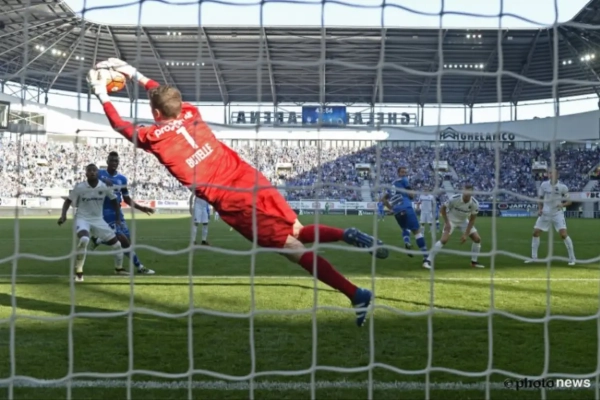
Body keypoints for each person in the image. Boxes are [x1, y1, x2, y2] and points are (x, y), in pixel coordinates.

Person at [87, 59, 389, 327]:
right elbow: (164, 96)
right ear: (178, 105)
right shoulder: (191, 112)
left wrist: (101, 92)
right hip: (249, 177)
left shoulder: (153, 137)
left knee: (293, 249)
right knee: (296, 229)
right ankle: (345, 234)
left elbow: (119, 125)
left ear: (154, 112)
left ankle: (356, 293)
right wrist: (133, 73)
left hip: (231, 199)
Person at [58, 164, 126, 281]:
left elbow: (115, 201)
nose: (92, 172)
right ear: (86, 173)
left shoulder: (104, 186)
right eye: (89, 170)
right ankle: (79, 271)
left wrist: (118, 218)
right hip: (82, 219)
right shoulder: (80, 187)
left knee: (117, 245)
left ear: (97, 173)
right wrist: (63, 215)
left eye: (94, 170)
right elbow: (68, 201)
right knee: (84, 239)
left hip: (98, 220)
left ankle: (118, 269)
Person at [91, 151, 155, 275]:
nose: (114, 163)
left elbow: (126, 199)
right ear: (107, 161)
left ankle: (98, 240)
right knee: (122, 240)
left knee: (127, 243)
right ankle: (140, 267)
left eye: (116, 161)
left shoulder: (122, 179)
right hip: (104, 212)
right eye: (112, 160)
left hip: (117, 212)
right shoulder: (99, 174)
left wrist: (142, 208)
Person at [423, 184, 484, 269]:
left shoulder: (474, 203)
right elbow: (442, 209)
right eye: (465, 190)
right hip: (451, 220)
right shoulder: (455, 198)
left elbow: (472, 220)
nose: (467, 193)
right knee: (444, 240)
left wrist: (466, 234)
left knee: (477, 239)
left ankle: (474, 262)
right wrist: (447, 223)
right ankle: (427, 261)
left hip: (463, 221)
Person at [525, 168, 575, 265]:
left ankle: (572, 258)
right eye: (549, 173)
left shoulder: (563, 187)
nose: (551, 175)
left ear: (557, 175)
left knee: (563, 235)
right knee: (535, 233)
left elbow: (569, 201)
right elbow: (540, 198)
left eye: (553, 173)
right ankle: (534, 258)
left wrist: (562, 204)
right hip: (545, 213)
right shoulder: (544, 185)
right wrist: (540, 209)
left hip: (557, 213)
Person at [382, 166, 428, 264]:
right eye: (402, 172)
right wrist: (411, 195)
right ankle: (426, 258)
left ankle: (407, 242)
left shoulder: (391, 185)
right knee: (417, 231)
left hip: (397, 210)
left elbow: (383, 199)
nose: (404, 174)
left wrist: (391, 208)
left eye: (405, 172)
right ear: (398, 173)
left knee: (405, 228)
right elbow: (411, 195)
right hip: (406, 207)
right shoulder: (404, 180)